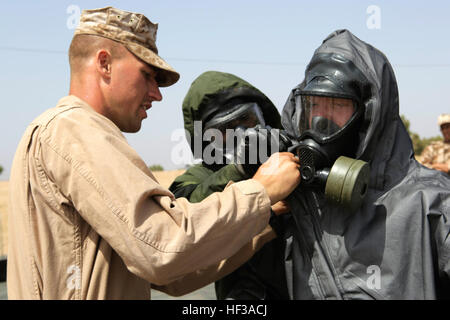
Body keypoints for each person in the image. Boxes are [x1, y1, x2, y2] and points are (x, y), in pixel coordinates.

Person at [7, 7, 301, 299]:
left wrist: (267, 220)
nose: (156, 94)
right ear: (104, 63)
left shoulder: (63, 131)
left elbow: (172, 274)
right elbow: (162, 248)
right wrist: (261, 191)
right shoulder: (74, 129)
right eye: (147, 75)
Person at [281, 29, 450, 299]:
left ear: (369, 117)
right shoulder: (292, 197)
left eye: (337, 105)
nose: (320, 120)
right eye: (314, 104)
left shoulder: (432, 202)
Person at [168, 70, 290, 300]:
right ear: (207, 141)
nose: (242, 132)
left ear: (263, 116)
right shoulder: (203, 175)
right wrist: (240, 171)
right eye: (226, 129)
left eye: (247, 119)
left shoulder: (287, 153)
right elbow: (183, 211)